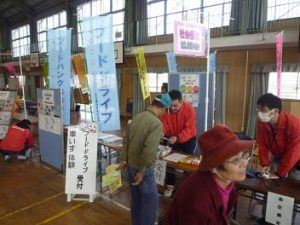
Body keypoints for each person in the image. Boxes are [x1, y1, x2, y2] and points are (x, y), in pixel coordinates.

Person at [163, 125, 254, 225]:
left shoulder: (226, 181)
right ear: (213, 167)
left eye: (244, 156)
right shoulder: (198, 202)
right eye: (236, 160)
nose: (245, 163)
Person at [118, 94, 172, 225]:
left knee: (136, 199)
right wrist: (142, 172)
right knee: (150, 201)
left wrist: (123, 161)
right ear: (163, 108)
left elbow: (126, 140)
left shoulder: (137, 117)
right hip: (143, 169)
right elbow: (149, 151)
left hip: (130, 165)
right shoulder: (156, 123)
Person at [161, 90, 197, 196]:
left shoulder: (190, 109)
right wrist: (162, 132)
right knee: (169, 161)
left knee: (187, 164)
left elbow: (190, 128)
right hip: (172, 138)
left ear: (181, 101)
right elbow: (165, 125)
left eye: (175, 105)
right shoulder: (166, 110)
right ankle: (170, 186)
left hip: (188, 139)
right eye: (170, 105)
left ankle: (187, 187)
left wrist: (178, 137)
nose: (172, 108)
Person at [256, 93, 300, 179]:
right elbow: (262, 144)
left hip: (296, 159)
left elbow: (294, 152)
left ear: (275, 111)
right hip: (277, 156)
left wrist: (279, 173)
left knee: (292, 184)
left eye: (263, 109)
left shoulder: (295, 124)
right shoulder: (262, 122)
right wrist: (265, 164)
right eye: (258, 109)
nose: (260, 113)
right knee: (271, 182)